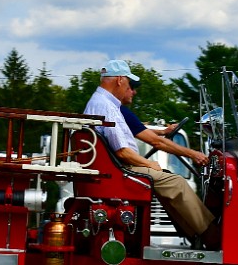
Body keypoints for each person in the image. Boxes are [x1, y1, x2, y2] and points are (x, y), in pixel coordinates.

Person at [83, 59, 218, 249]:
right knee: (176, 183)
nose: (132, 90)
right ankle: (213, 237)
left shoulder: (102, 103)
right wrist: (148, 164)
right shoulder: (107, 107)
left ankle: (196, 234)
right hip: (120, 169)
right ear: (120, 80)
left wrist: (161, 134)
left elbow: (137, 139)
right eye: (130, 84)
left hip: (115, 166)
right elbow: (123, 152)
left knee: (167, 181)